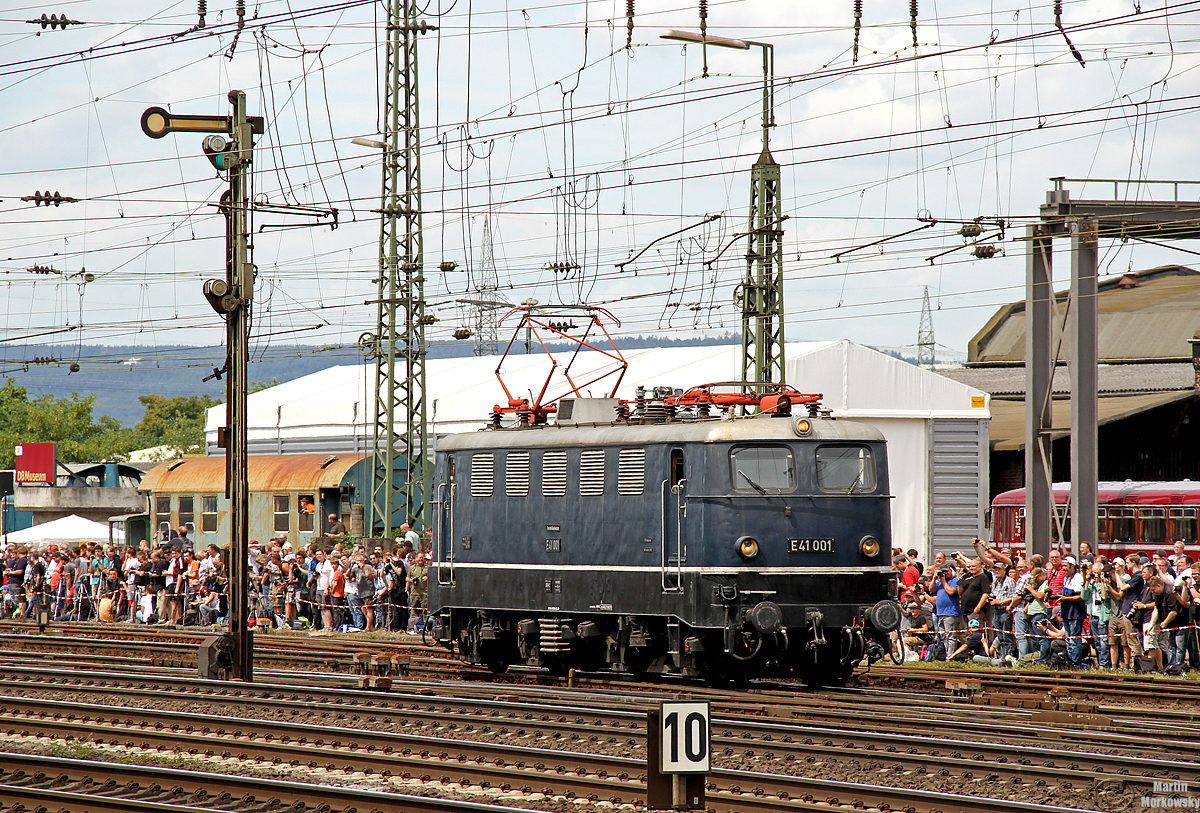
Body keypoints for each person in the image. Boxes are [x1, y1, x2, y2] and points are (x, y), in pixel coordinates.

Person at [1145, 576, 1181, 672]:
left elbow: (1174, 611)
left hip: (1176, 622)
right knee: (1163, 645)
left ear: (1159, 585)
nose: (1153, 592)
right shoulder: (1158, 593)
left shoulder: (1169, 592)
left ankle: (1173, 667)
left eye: (1153, 590)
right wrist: (1151, 624)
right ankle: (1162, 667)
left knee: (1174, 646)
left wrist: (1165, 623)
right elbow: (1156, 608)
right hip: (1164, 622)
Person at [1058, 556, 1087, 667]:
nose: (1063, 568)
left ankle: (1076, 663)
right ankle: (1070, 662)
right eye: (1063, 566)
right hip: (1066, 612)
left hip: (1075, 613)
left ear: (1072, 566)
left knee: (1074, 640)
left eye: (1065, 566)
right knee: (1069, 640)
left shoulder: (1078, 578)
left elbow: (1081, 596)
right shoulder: (1066, 578)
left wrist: (1066, 599)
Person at [407, 553, 429, 633]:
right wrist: (411, 580)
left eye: (422, 558)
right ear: (416, 558)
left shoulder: (427, 568)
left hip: (424, 593)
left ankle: (426, 628)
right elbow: (407, 578)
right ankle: (412, 628)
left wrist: (427, 577)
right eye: (419, 557)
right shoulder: (412, 568)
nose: (420, 559)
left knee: (425, 612)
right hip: (414, 593)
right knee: (413, 611)